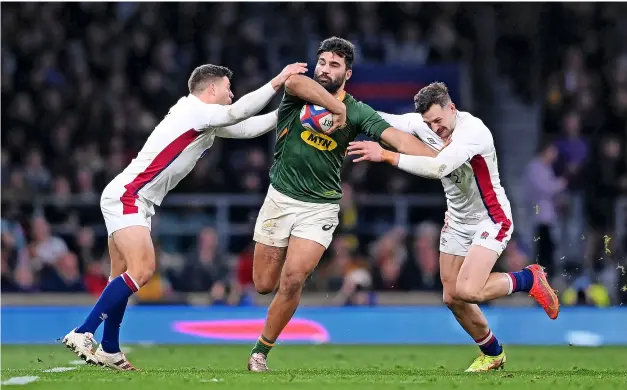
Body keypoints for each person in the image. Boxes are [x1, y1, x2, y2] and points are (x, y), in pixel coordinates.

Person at [62, 62, 308, 370]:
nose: (232, 94)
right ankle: (84, 331)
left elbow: (246, 127)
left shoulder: (203, 117)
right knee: (142, 270)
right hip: (129, 196)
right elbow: (239, 113)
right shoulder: (195, 110)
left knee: (121, 275)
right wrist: (279, 81)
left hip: (132, 196)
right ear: (211, 89)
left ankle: (109, 348)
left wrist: (290, 111)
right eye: (228, 88)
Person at [247, 37, 435, 372]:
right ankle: (266, 332)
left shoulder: (359, 111)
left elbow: (399, 138)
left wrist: (442, 158)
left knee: (293, 279)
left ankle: (260, 352)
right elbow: (293, 80)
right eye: (322, 62)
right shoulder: (300, 92)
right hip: (279, 198)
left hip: (319, 207)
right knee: (263, 283)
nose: (325, 69)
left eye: (334, 65)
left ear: (347, 73)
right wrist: (336, 108)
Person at [347, 82, 560, 372]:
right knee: (451, 296)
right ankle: (492, 353)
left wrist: (386, 155)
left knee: (469, 290)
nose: (435, 128)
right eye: (428, 123)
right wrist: (341, 108)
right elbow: (381, 118)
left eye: (438, 120)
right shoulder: (424, 123)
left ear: (452, 108)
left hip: (491, 217)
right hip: (457, 220)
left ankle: (528, 279)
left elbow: (438, 168)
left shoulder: (473, 132)